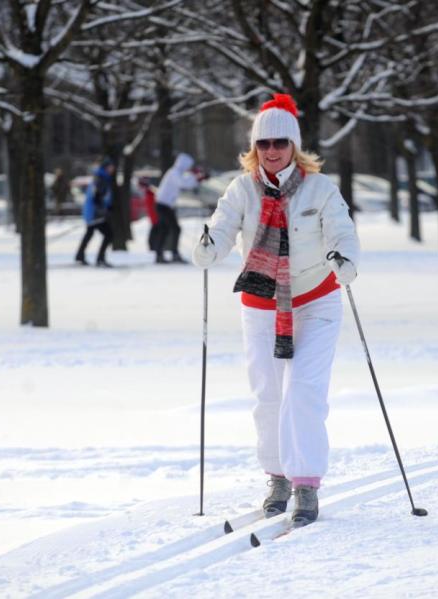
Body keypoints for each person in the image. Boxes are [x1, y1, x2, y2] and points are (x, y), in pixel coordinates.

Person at [192, 93, 359, 526]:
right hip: (262, 302)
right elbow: (224, 228)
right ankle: (278, 476)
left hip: (316, 300)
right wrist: (209, 247)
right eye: (263, 144)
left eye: (279, 143)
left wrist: (344, 259)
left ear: (294, 146)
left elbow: (342, 230)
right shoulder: (241, 189)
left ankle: (306, 483)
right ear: (254, 148)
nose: (271, 151)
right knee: (268, 396)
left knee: (302, 391)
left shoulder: (320, 188)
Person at [152, 153, 201, 264]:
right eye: (188, 166)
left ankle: (160, 255)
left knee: (164, 229)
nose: (188, 168)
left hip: (165, 205)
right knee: (175, 228)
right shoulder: (174, 172)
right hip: (163, 205)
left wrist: (197, 179)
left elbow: (187, 183)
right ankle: (173, 254)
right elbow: (183, 183)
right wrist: (195, 177)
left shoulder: (176, 172)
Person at [75, 158, 115, 267]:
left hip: (93, 212)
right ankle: (100, 258)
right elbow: (97, 196)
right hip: (96, 213)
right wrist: (104, 208)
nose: (113, 169)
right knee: (109, 234)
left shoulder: (100, 177)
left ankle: (80, 255)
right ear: (106, 167)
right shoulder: (101, 178)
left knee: (90, 233)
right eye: (111, 167)